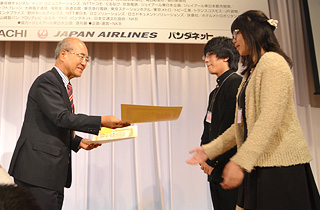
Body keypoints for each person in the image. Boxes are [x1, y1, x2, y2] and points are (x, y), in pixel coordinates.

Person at [187, 10, 320, 210]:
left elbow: (268, 120)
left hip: (279, 167)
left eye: (236, 34)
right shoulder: (251, 71)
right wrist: (209, 150)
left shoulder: (273, 63)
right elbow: (240, 125)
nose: (234, 41)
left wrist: (239, 162)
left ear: (251, 32)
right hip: (258, 165)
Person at [8, 37, 130, 210]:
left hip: (51, 175)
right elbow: (61, 117)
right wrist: (101, 121)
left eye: (87, 59)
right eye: (81, 56)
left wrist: (77, 141)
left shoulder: (63, 85)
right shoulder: (47, 81)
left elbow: (52, 124)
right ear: (63, 54)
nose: (84, 63)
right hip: (37, 172)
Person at [200, 37, 241, 210]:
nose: (206, 60)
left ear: (226, 57)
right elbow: (208, 126)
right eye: (205, 56)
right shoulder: (216, 90)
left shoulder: (235, 84)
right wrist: (203, 153)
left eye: (210, 54)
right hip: (215, 169)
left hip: (229, 168)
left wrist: (211, 160)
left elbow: (231, 129)